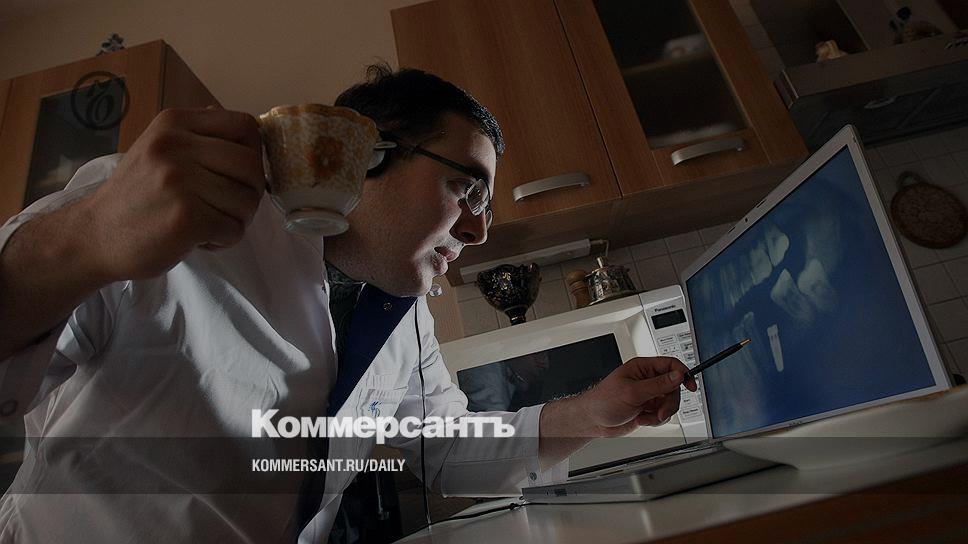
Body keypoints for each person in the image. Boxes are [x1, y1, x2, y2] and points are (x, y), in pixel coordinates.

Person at [0, 64, 696, 543]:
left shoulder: (405, 317)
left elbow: (447, 448)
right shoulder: (174, 223)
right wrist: (89, 237)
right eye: (469, 191)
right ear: (367, 152)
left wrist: (594, 412)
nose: (480, 231)